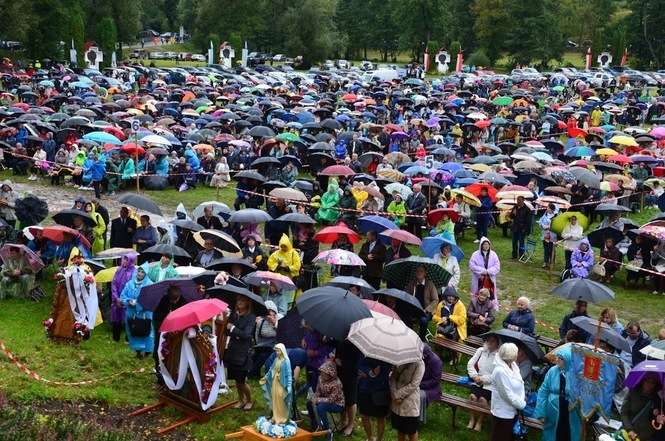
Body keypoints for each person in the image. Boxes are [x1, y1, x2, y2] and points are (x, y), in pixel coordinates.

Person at [534, 346, 582, 441]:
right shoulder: (552, 371)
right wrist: (541, 412)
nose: (557, 360)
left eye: (561, 358)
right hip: (553, 410)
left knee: (570, 434)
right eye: (558, 357)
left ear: (568, 360)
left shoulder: (577, 375)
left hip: (571, 411)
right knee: (552, 435)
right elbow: (543, 391)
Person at [224, 294, 256, 410]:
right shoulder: (234, 315)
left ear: (248, 303)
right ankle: (241, 400)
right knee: (236, 380)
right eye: (238, 300)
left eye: (243, 300)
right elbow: (227, 331)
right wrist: (227, 324)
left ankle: (249, 400)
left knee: (241, 380)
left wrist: (233, 328)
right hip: (233, 351)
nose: (240, 302)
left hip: (243, 353)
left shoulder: (251, 317)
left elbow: (246, 334)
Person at [489, 343, 526, 441]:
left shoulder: (513, 365)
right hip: (502, 413)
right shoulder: (499, 371)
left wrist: (520, 399)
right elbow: (506, 394)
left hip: (513, 410)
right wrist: (521, 404)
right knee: (500, 437)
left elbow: (520, 383)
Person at [466, 334, 499, 432]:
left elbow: (497, 374)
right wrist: (475, 376)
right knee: (472, 397)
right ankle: (472, 419)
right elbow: (470, 364)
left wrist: (483, 379)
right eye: (488, 340)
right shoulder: (480, 350)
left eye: (493, 341)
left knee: (482, 400)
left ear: (497, 343)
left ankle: (479, 422)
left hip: (490, 385)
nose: (490, 343)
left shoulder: (499, 356)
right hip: (477, 380)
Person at [120, 264, 154, 358]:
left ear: (146, 274)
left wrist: (138, 304)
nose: (140, 273)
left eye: (142, 272)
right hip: (131, 312)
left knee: (146, 331)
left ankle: (147, 351)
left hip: (145, 314)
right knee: (133, 330)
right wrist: (128, 301)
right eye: (139, 271)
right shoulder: (129, 284)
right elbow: (122, 296)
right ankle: (137, 351)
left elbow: (151, 300)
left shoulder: (149, 285)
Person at [389, 358, 425, 441]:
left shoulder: (419, 363)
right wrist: (394, 394)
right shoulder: (399, 359)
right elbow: (393, 378)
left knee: (411, 431)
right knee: (400, 429)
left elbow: (414, 384)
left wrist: (398, 394)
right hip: (396, 403)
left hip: (410, 402)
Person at [357, 357, 391, 441]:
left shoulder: (388, 354)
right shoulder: (367, 351)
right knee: (364, 415)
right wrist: (370, 372)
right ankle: (370, 438)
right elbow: (360, 365)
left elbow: (388, 371)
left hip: (381, 389)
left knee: (381, 417)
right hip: (365, 388)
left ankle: (379, 439)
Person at [307, 360, 344, 436]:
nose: (322, 374)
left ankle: (327, 429)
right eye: (322, 372)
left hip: (337, 404)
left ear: (330, 374)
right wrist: (314, 398)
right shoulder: (320, 378)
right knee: (309, 403)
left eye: (324, 373)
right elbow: (318, 391)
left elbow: (331, 399)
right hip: (324, 400)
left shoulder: (337, 384)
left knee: (321, 407)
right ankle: (315, 424)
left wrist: (318, 400)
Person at [259, 343, 293, 426]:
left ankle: (282, 418)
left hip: (282, 383)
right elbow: (271, 369)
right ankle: (275, 416)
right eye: (276, 351)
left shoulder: (286, 361)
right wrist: (265, 377)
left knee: (281, 400)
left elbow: (289, 374)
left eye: (278, 351)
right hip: (275, 382)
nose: (277, 353)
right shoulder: (276, 359)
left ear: (282, 351)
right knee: (275, 399)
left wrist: (289, 385)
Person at [621, 373, 661, 441]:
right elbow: (624, 413)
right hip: (629, 433)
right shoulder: (633, 392)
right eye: (647, 381)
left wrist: (657, 415)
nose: (649, 384)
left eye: (653, 383)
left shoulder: (658, 398)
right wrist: (629, 429)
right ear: (642, 381)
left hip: (646, 436)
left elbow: (657, 421)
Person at [405, 265, 439, 340]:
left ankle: (421, 339)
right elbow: (406, 295)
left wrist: (427, 309)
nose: (419, 273)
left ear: (425, 273)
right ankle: (409, 337)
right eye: (417, 271)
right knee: (405, 316)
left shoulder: (430, 284)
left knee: (423, 320)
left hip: (426, 311)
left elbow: (435, 300)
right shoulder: (412, 283)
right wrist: (410, 296)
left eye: (421, 271)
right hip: (414, 309)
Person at [110, 254, 136, 342]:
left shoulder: (134, 272)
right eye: (123, 259)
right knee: (116, 318)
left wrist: (125, 300)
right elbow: (114, 284)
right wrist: (116, 298)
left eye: (126, 260)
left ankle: (128, 339)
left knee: (129, 318)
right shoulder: (119, 270)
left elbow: (133, 287)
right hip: (117, 299)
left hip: (127, 299)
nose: (124, 261)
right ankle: (115, 338)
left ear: (131, 261)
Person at [468, 237, 500, 310]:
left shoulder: (493, 254)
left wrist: (488, 271)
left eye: (487, 244)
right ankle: (475, 306)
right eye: (484, 244)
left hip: (490, 278)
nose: (486, 246)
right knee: (477, 291)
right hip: (478, 278)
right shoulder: (475, 254)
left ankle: (490, 306)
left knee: (490, 292)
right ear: (481, 245)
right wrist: (482, 271)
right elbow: (472, 265)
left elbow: (497, 266)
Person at [250, 300, 278, 379]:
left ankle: (252, 373)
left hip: (273, 346)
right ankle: (254, 373)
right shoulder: (261, 321)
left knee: (263, 356)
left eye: (271, 311)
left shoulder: (279, 319)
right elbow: (256, 335)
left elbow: (282, 334)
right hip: (261, 345)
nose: (269, 314)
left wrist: (274, 323)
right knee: (254, 355)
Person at [538, 203, 558, 269]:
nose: (547, 209)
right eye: (547, 207)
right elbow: (540, 221)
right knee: (546, 249)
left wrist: (548, 227)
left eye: (548, 208)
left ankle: (551, 262)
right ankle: (545, 262)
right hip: (545, 234)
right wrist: (541, 225)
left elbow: (556, 226)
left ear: (552, 209)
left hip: (552, 235)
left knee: (551, 249)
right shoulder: (545, 214)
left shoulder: (555, 216)